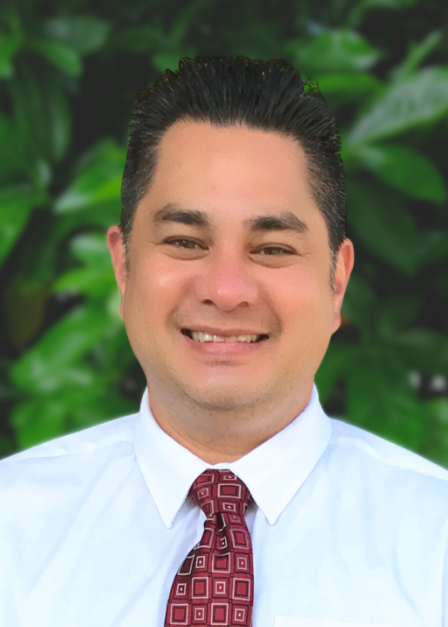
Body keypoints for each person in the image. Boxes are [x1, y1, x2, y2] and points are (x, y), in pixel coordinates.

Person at [1, 55, 447, 627]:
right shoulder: (9, 531)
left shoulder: (436, 544)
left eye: (273, 249)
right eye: (186, 241)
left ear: (337, 281)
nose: (227, 289)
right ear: (122, 264)